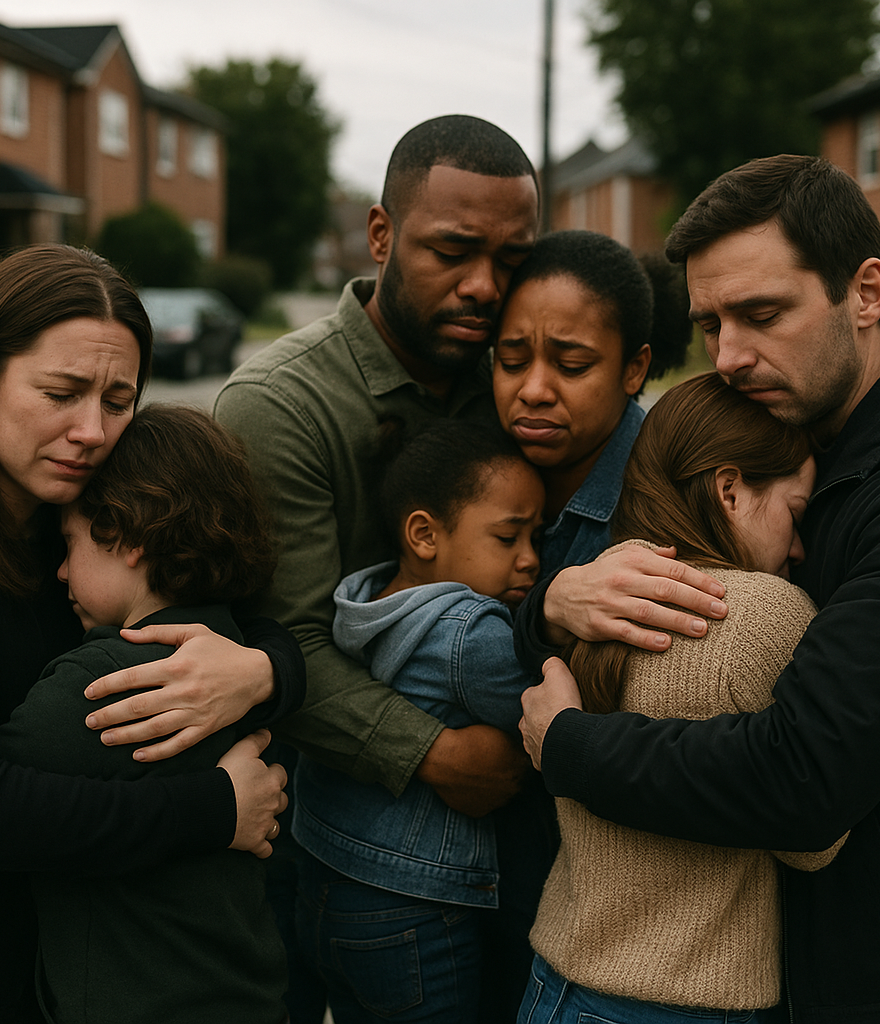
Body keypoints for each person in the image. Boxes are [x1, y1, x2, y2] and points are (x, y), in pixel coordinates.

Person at [517, 155, 880, 1021]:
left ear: (866, 293)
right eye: (710, 324)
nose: (730, 357)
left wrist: (569, 746)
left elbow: (804, 776)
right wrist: (552, 606)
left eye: (762, 314)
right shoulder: (784, 435)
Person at [0, 244, 303, 1024]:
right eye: (61, 393)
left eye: (119, 399)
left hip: (73, 969)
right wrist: (212, 811)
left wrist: (265, 672)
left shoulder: (79, 513)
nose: (93, 431)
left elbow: (231, 599)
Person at [214, 114, 539, 1022]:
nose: (484, 286)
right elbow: (284, 641)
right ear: (382, 234)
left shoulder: (515, 386)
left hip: (496, 858)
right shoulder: (280, 406)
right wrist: (435, 753)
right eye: (453, 251)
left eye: (511, 259)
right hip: (306, 835)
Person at [521, 372, 846, 1023]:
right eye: (795, 512)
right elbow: (814, 838)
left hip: (554, 985)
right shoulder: (764, 614)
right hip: (680, 1001)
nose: (799, 547)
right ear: (730, 490)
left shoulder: (595, 595)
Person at [0, 404, 295, 1024]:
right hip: (248, 992)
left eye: (69, 542)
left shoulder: (101, 684)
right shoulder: (238, 656)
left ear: (129, 536)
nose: (59, 572)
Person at [293, 421, 545, 1022]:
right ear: (425, 535)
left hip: (325, 883)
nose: (531, 559)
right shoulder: (472, 634)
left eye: (537, 536)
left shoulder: (364, 598)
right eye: (508, 537)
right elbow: (551, 715)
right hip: (415, 910)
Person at [493, 229, 691, 576]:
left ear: (634, 369)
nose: (534, 391)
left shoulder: (676, 506)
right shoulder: (466, 470)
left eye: (572, 366)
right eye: (512, 362)